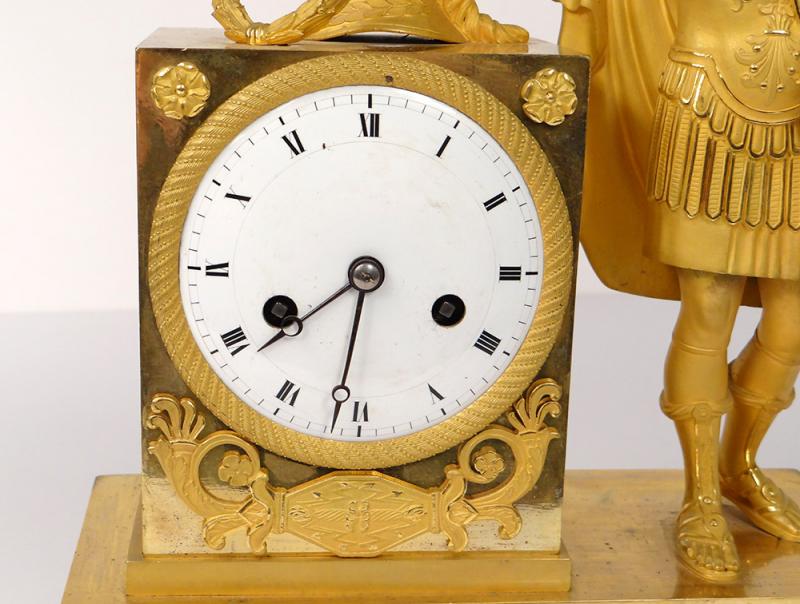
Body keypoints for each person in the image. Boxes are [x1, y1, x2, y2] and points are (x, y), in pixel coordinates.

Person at [559, 0, 800, 581]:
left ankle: (737, 466)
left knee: (791, 323)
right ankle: (701, 496)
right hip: (706, 109)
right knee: (709, 309)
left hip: (793, 123)